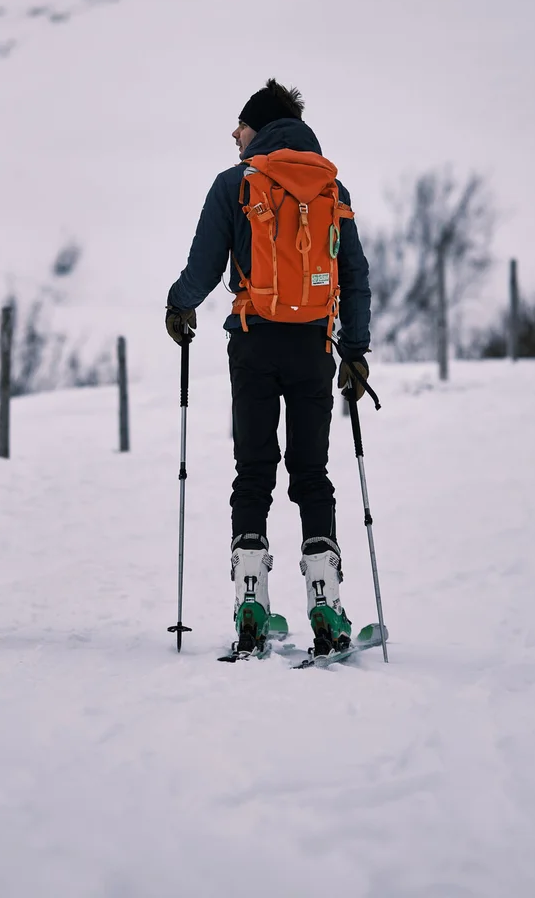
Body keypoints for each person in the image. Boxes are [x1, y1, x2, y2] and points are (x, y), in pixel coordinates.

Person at [165, 79, 372, 657]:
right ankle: (325, 605)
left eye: (241, 124)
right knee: (312, 474)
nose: (234, 133)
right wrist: (354, 350)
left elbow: (203, 267)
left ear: (260, 127)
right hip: (313, 345)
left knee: (253, 470)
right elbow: (354, 275)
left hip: (253, 342)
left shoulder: (234, 184)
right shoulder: (331, 185)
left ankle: (250, 601)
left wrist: (178, 305)